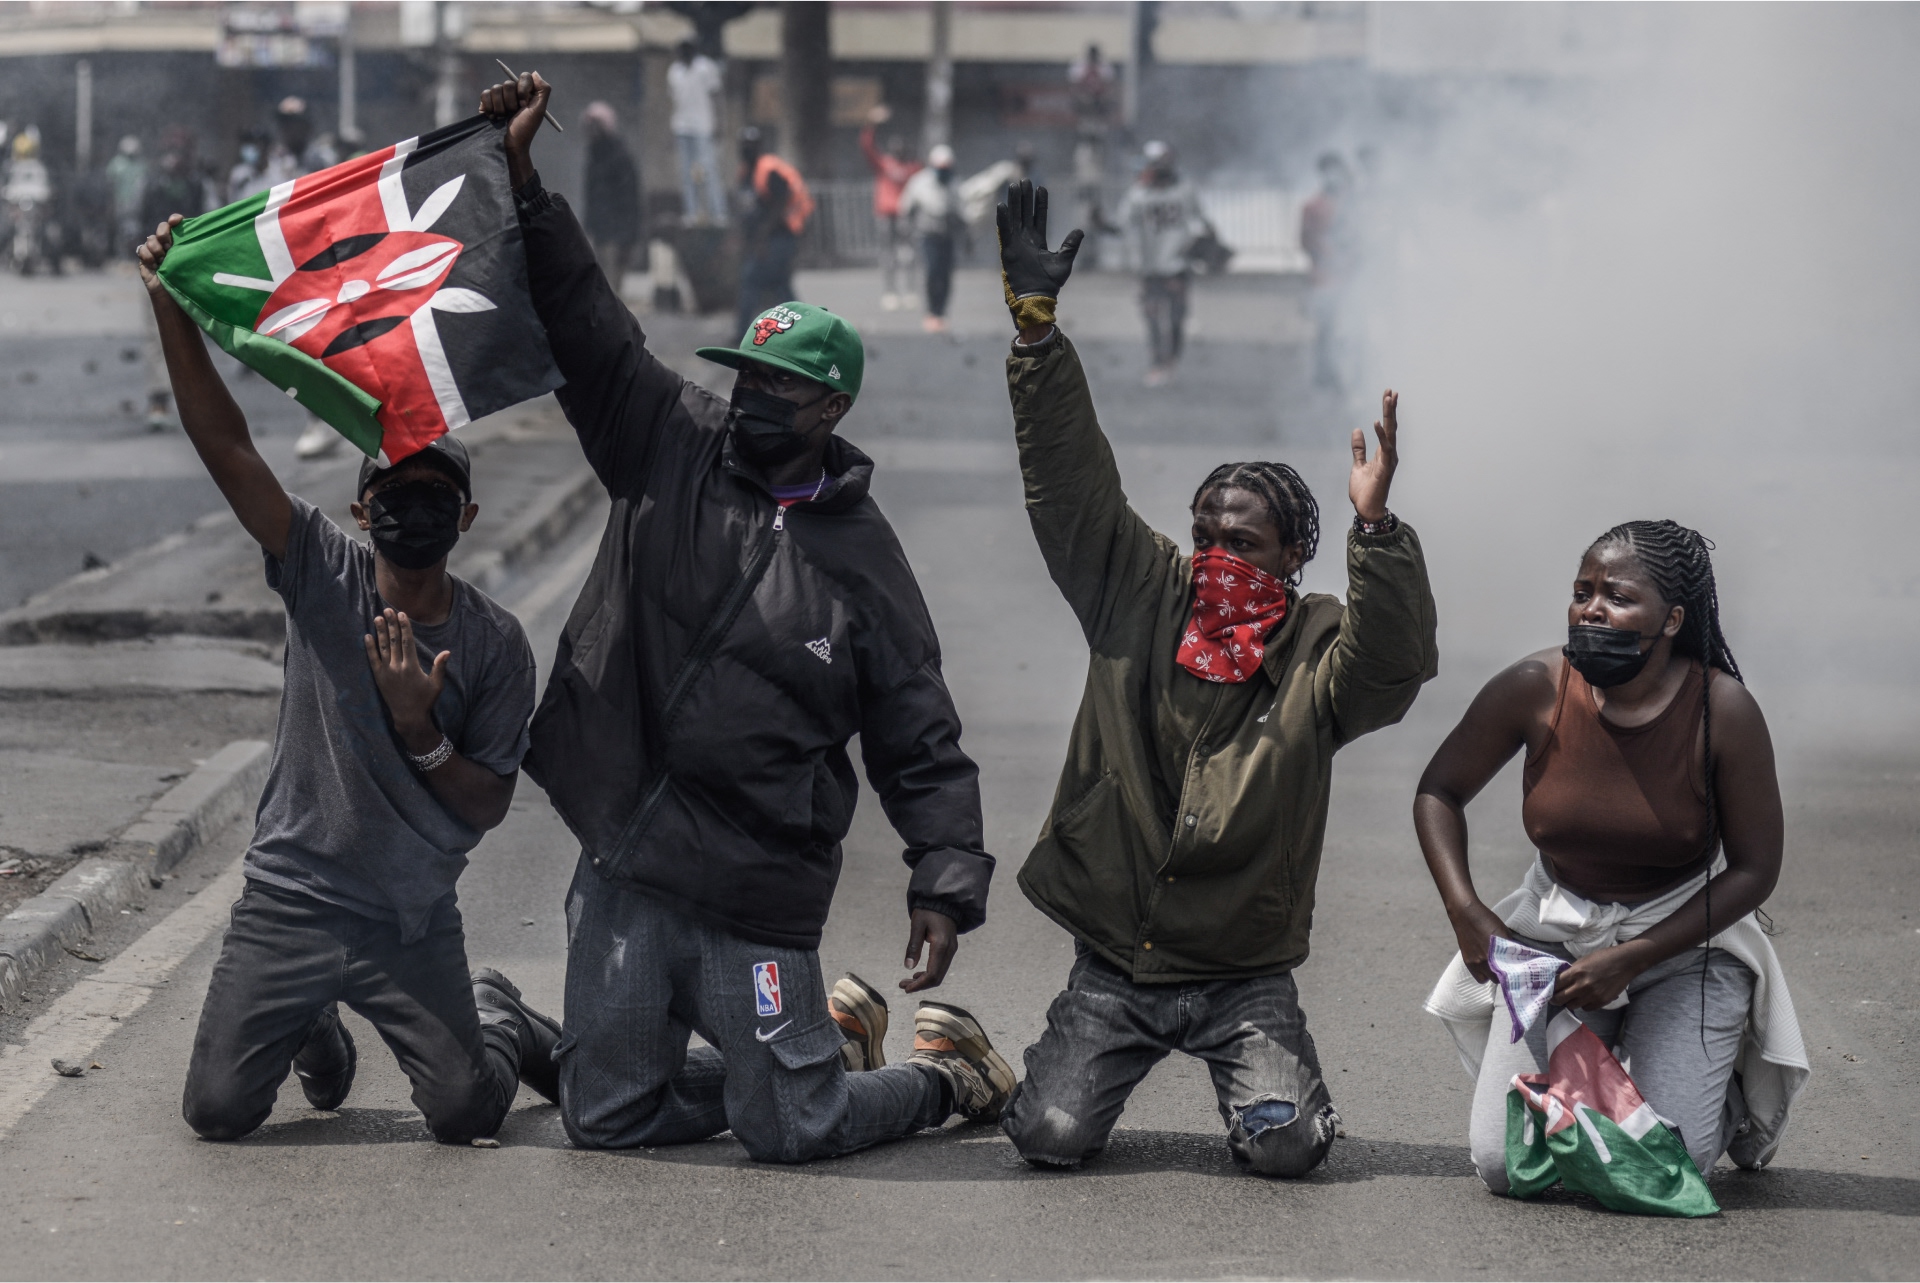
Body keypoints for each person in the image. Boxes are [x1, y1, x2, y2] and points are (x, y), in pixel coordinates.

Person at [478, 72, 1014, 1164]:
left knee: (792, 1127)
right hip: (627, 853)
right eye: (747, 377)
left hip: (754, 893)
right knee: (607, 1117)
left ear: (832, 407)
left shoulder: (866, 565)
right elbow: (590, 327)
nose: (753, 400)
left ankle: (939, 1079)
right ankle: (804, 1044)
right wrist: (524, 181)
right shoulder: (666, 437)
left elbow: (919, 730)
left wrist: (943, 882)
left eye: (780, 388)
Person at [991, 181, 1438, 1177]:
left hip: (1243, 975)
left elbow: (1394, 664)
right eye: (1205, 533)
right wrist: (1035, 335)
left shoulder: (1324, 644)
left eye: (1243, 541)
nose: (1216, 553)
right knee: (1049, 1137)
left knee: (1284, 1148)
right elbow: (1071, 484)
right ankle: (990, 1072)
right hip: (1119, 963)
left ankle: (1278, 1100)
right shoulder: (1138, 588)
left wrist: (1378, 530)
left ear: (1292, 559)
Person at [135, 215, 553, 1146]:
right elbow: (228, 447)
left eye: (434, 497)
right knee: (216, 1112)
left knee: (464, 1110)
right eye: (394, 496)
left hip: (408, 916)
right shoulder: (324, 571)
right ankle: (306, 1020)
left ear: (468, 514)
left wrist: (423, 732)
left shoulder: (496, 644)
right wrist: (170, 305)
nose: (414, 511)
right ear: (363, 508)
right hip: (292, 898)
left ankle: (499, 1016)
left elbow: (486, 803)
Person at [1415, 520, 1806, 1193]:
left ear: (1673, 618)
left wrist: (1636, 954)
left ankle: (1716, 1091)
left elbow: (1754, 869)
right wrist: (1467, 911)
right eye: (1581, 591)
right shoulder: (1534, 686)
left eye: (1617, 596)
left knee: (1669, 1166)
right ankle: (1617, 1068)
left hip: (1684, 949)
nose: (1591, 608)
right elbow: (1438, 790)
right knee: (1503, 1163)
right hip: (1556, 950)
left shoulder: (1724, 711)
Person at [1120, 141, 1206, 388]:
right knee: (1153, 317)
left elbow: (1199, 220)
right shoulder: (1138, 194)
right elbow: (1125, 224)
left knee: (1177, 317)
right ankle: (1158, 362)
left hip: (1178, 263)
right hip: (1150, 266)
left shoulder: (1184, 191)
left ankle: (1172, 361)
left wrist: (1198, 243)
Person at [733, 126, 812, 337]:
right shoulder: (746, 172)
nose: (747, 149)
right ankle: (804, 332)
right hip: (766, 240)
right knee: (780, 287)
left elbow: (780, 204)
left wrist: (762, 239)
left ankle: (742, 333)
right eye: (744, 145)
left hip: (780, 237)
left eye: (752, 145)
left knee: (753, 281)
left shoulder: (769, 170)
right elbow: (749, 210)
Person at [1299, 151, 1355, 395]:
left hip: (1351, 275)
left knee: (1351, 325)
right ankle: (1325, 373)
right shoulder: (1312, 206)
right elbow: (1305, 239)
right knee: (1327, 327)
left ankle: (1347, 373)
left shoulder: (1353, 204)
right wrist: (1325, 255)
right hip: (1324, 276)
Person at [858, 104, 921, 311]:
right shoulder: (884, 164)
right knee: (888, 255)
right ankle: (890, 292)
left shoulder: (912, 168)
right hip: (885, 214)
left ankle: (910, 290)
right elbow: (867, 147)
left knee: (908, 254)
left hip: (904, 214)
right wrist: (871, 124)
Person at [579, 101, 641, 294]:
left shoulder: (620, 156)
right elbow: (590, 194)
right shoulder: (593, 157)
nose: (592, 131)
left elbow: (630, 194)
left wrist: (631, 227)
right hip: (601, 227)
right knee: (603, 273)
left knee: (613, 278)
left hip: (618, 227)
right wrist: (588, 224)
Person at [899, 144, 959, 334]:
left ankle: (942, 312)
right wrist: (906, 233)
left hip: (947, 235)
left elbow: (962, 212)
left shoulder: (954, 184)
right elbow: (906, 208)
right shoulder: (919, 182)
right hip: (927, 235)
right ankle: (932, 312)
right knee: (932, 272)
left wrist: (968, 238)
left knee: (946, 275)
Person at [667, 40, 727, 225]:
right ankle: (691, 213)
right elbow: (674, 100)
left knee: (708, 170)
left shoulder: (706, 67)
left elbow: (716, 95)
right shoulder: (674, 71)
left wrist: (719, 122)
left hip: (703, 126)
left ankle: (718, 213)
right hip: (682, 126)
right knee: (687, 173)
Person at [106, 135, 147, 251]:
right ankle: (121, 253)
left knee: (134, 229)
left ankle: (132, 253)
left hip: (137, 203)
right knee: (120, 229)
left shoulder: (141, 165)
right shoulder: (116, 164)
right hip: (120, 202)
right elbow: (110, 184)